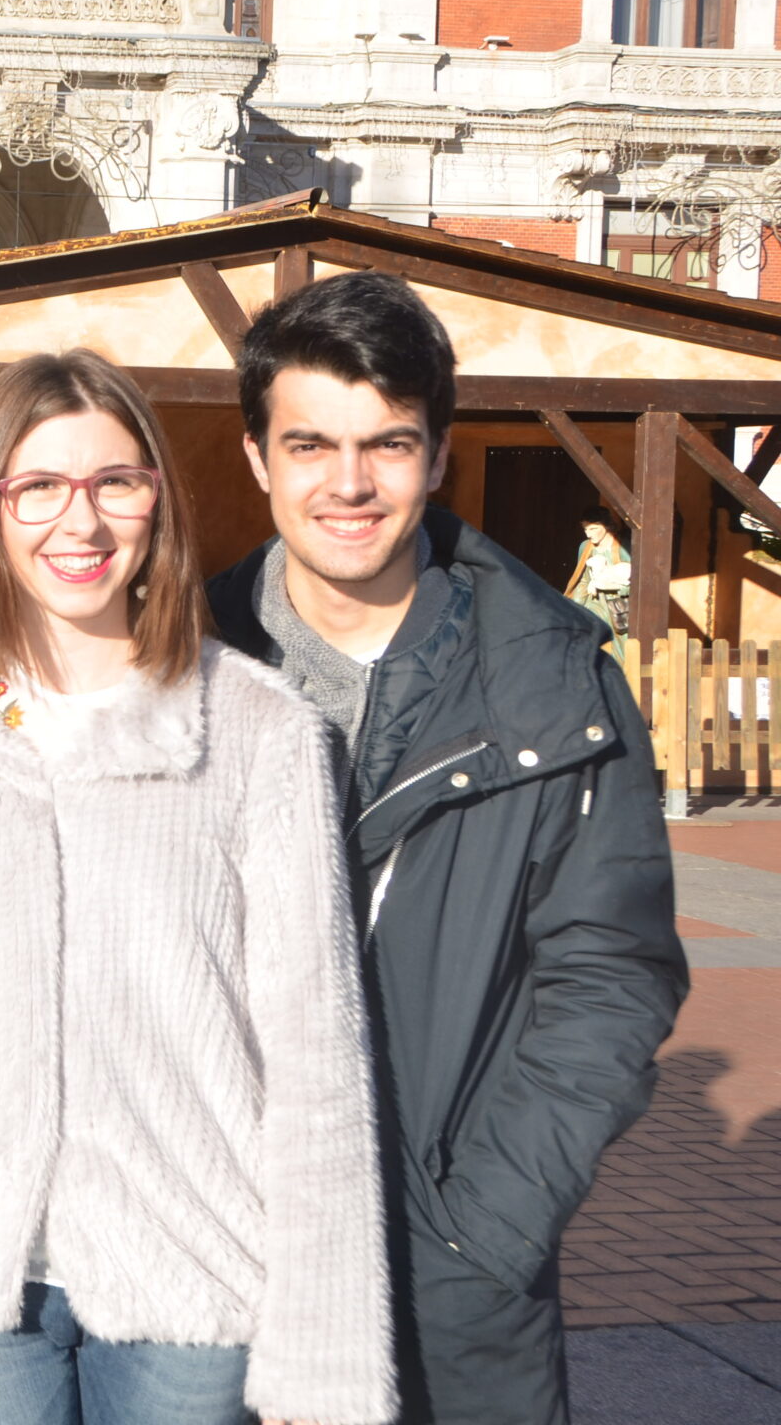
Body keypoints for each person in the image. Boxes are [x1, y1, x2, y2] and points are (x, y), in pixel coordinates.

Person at [0, 348, 392, 1425]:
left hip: (190, 1274)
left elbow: (316, 1053)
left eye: (115, 481)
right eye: (38, 485)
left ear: (157, 499)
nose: (80, 520)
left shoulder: (259, 732)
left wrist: (323, 1349)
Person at [205, 272, 686, 1425]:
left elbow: (611, 975)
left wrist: (484, 1224)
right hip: (209, 1259)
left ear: (436, 456)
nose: (349, 483)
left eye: (387, 443)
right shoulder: (179, 663)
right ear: (258, 457)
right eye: (311, 444)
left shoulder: (556, 687)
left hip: (448, 1277)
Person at [564, 512, 632, 640]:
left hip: (618, 605)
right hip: (594, 601)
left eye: (593, 529)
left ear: (607, 526)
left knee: (619, 643)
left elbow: (635, 578)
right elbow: (583, 578)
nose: (588, 534)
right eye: (585, 529)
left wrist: (617, 588)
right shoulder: (585, 547)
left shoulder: (623, 547)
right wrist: (576, 604)